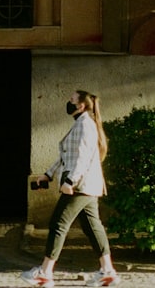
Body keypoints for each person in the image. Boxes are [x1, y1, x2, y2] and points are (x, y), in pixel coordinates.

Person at [21, 90, 120, 288]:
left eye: (72, 100)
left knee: (58, 223)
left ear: (81, 105)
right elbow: (66, 155)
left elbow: (82, 158)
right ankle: (107, 271)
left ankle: (45, 273)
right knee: (92, 227)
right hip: (87, 185)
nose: (68, 102)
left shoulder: (85, 125)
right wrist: (48, 174)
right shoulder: (81, 124)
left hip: (80, 186)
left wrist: (71, 182)